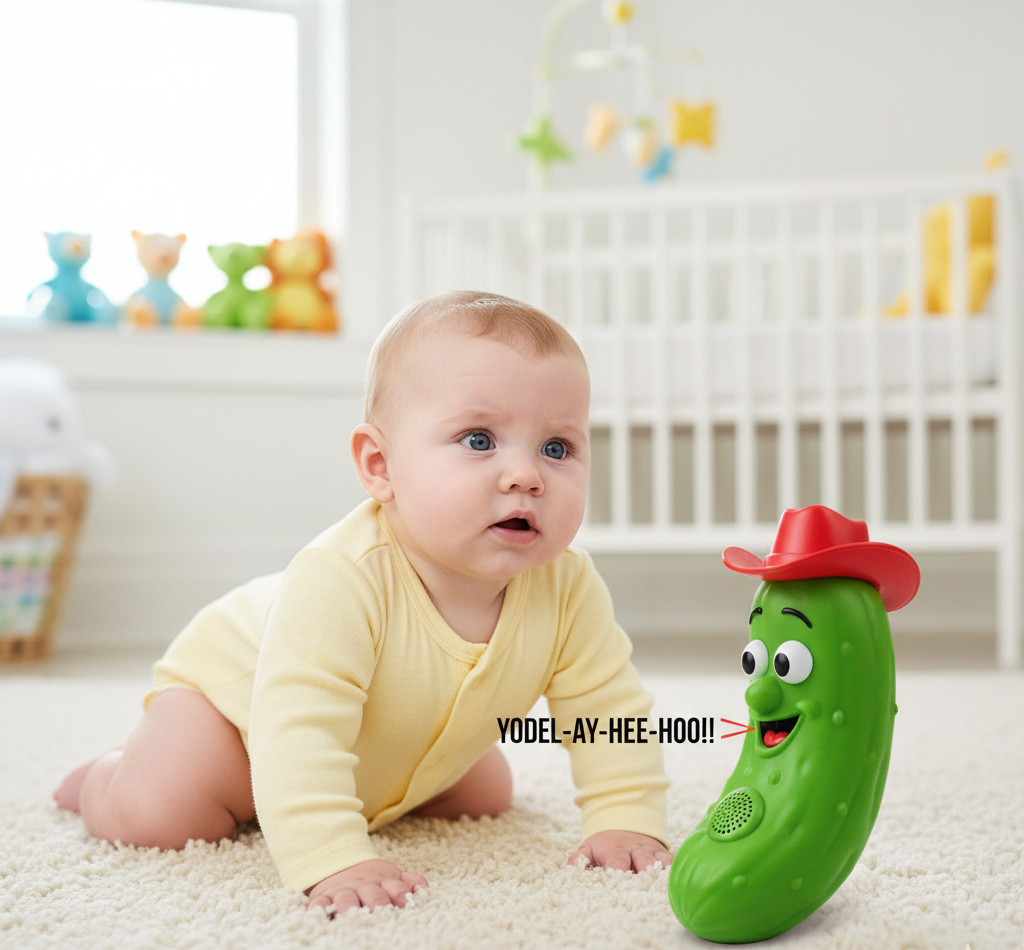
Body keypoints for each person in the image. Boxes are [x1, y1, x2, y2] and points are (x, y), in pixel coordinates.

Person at [54, 290, 673, 916]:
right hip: (235, 714)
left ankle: (380, 781)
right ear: (380, 466)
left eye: (557, 448)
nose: (526, 474)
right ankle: (106, 776)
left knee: (486, 792)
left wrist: (626, 817)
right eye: (480, 439)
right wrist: (335, 858)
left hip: (384, 739)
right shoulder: (340, 578)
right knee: (162, 811)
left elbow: (606, 708)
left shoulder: (567, 585)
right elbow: (302, 728)